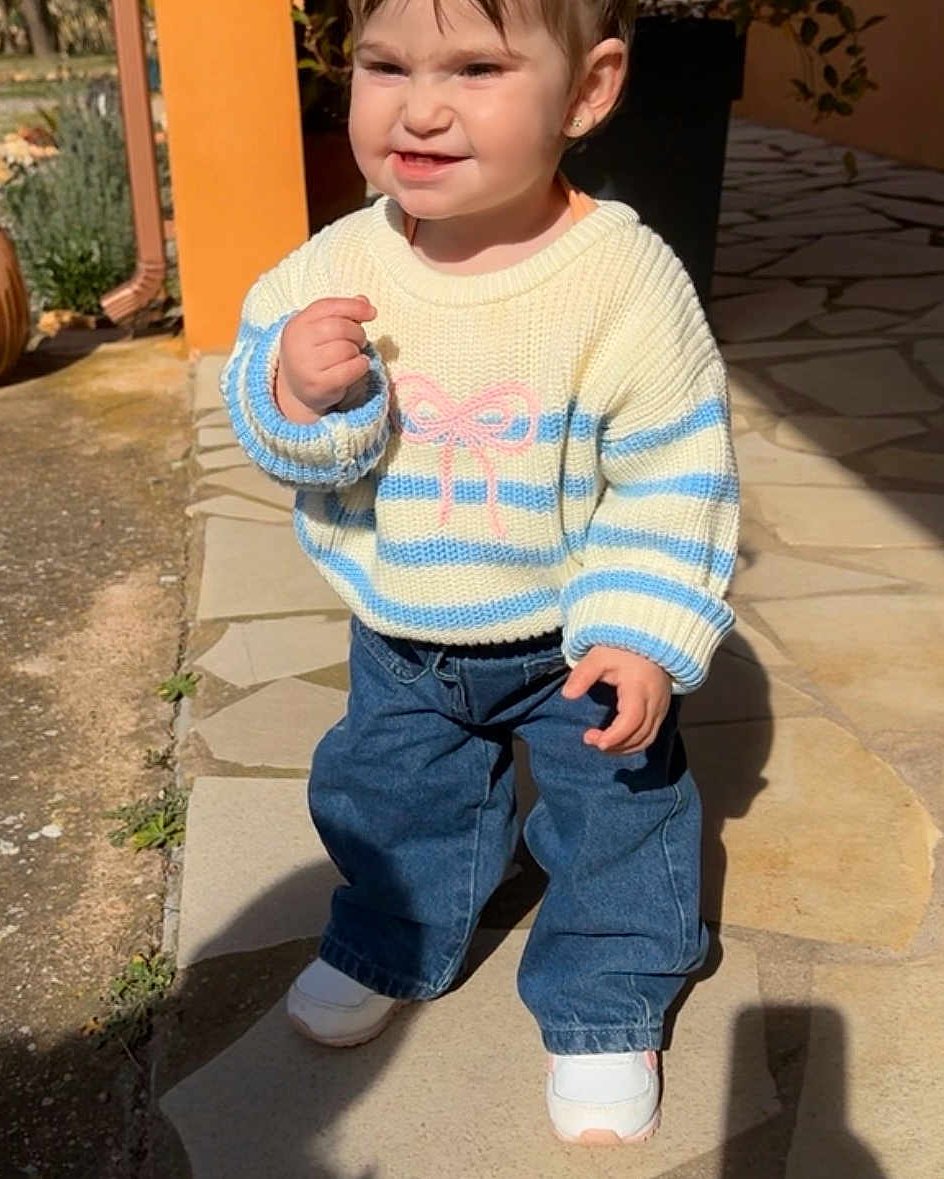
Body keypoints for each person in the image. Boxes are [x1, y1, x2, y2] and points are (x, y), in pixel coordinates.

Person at [223, 0, 738, 1146]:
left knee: (622, 814)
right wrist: (300, 395)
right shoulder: (344, 260)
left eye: (475, 68)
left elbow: (671, 471)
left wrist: (639, 630)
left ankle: (607, 1003)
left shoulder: (622, 280)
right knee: (391, 799)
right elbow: (266, 403)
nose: (420, 107)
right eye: (385, 64)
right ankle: (394, 939)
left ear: (589, 92)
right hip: (403, 629)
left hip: (570, 632)